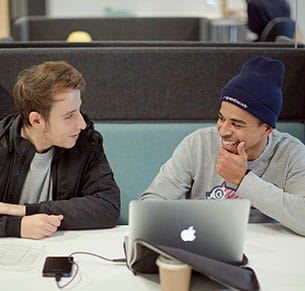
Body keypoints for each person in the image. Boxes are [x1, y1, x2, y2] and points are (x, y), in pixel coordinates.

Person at [140, 56, 305, 236]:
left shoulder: (291, 153)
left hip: (269, 252)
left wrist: (243, 180)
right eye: (221, 118)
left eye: (237, 124)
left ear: (266, 129)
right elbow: (151, 202)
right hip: (203, 243)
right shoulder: (198, 144)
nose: (223, 131)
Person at [0, 61, 120, 239]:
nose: (81, 124)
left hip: (60, 247)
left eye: (78, 110)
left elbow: (107, 206)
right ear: (36, 121)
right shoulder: (2, 142)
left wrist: (26, 210)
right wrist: (16, 227)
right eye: (69, 115)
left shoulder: (86, 142)